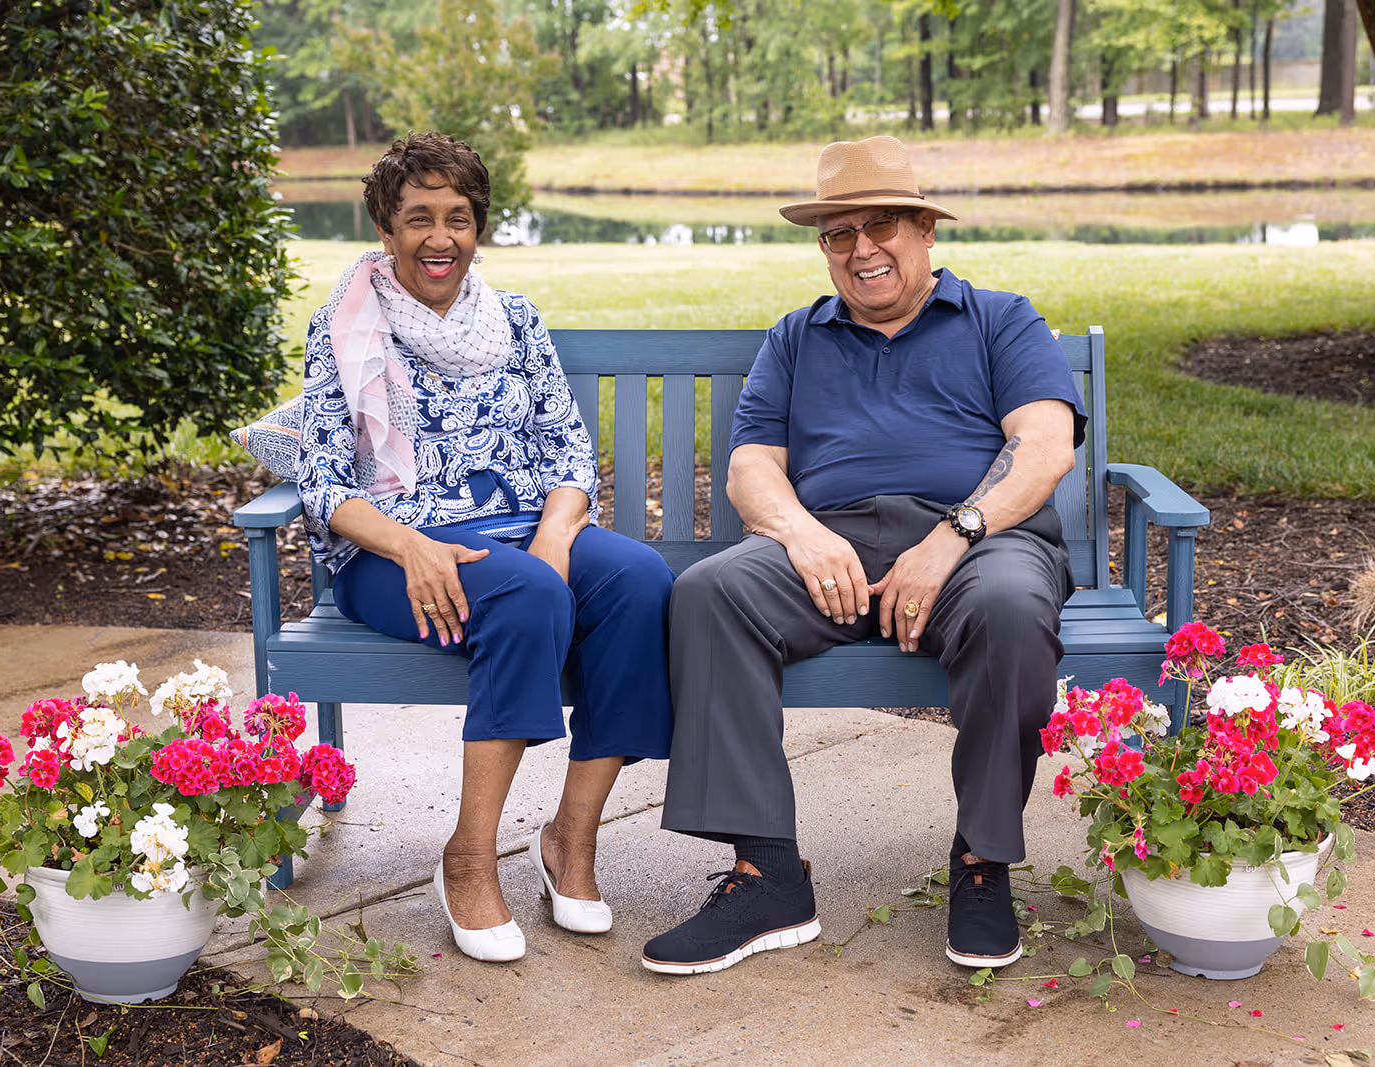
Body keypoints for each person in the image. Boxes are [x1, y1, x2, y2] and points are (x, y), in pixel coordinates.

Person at [641, 135, 1086, 975]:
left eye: (880, 224)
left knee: (1011, 609)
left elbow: (1046, 445)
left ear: (924, 230)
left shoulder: (1000, 318)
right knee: (709, 592)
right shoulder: (797, 336)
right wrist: (802, 533)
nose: (860, 249)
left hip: (977, 543)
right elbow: (749, 466)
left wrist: (951, 536)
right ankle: (767, 874)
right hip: (830, 546)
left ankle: (982, 861)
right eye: (838, 233)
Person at [298, 132, 674, 964]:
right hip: (389, 559)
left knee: (643, 579)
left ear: (480, 228)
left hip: (516, 537)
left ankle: (571, 840)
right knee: (529, 594)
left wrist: (553, 535)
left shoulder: (516, 322)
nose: (441, 238)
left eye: (458, 218)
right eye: (419, 218)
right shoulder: (345, 324)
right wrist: (411, 546)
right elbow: (323, 485)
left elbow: (569, 454)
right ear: (385, 228)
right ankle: (467, 856)